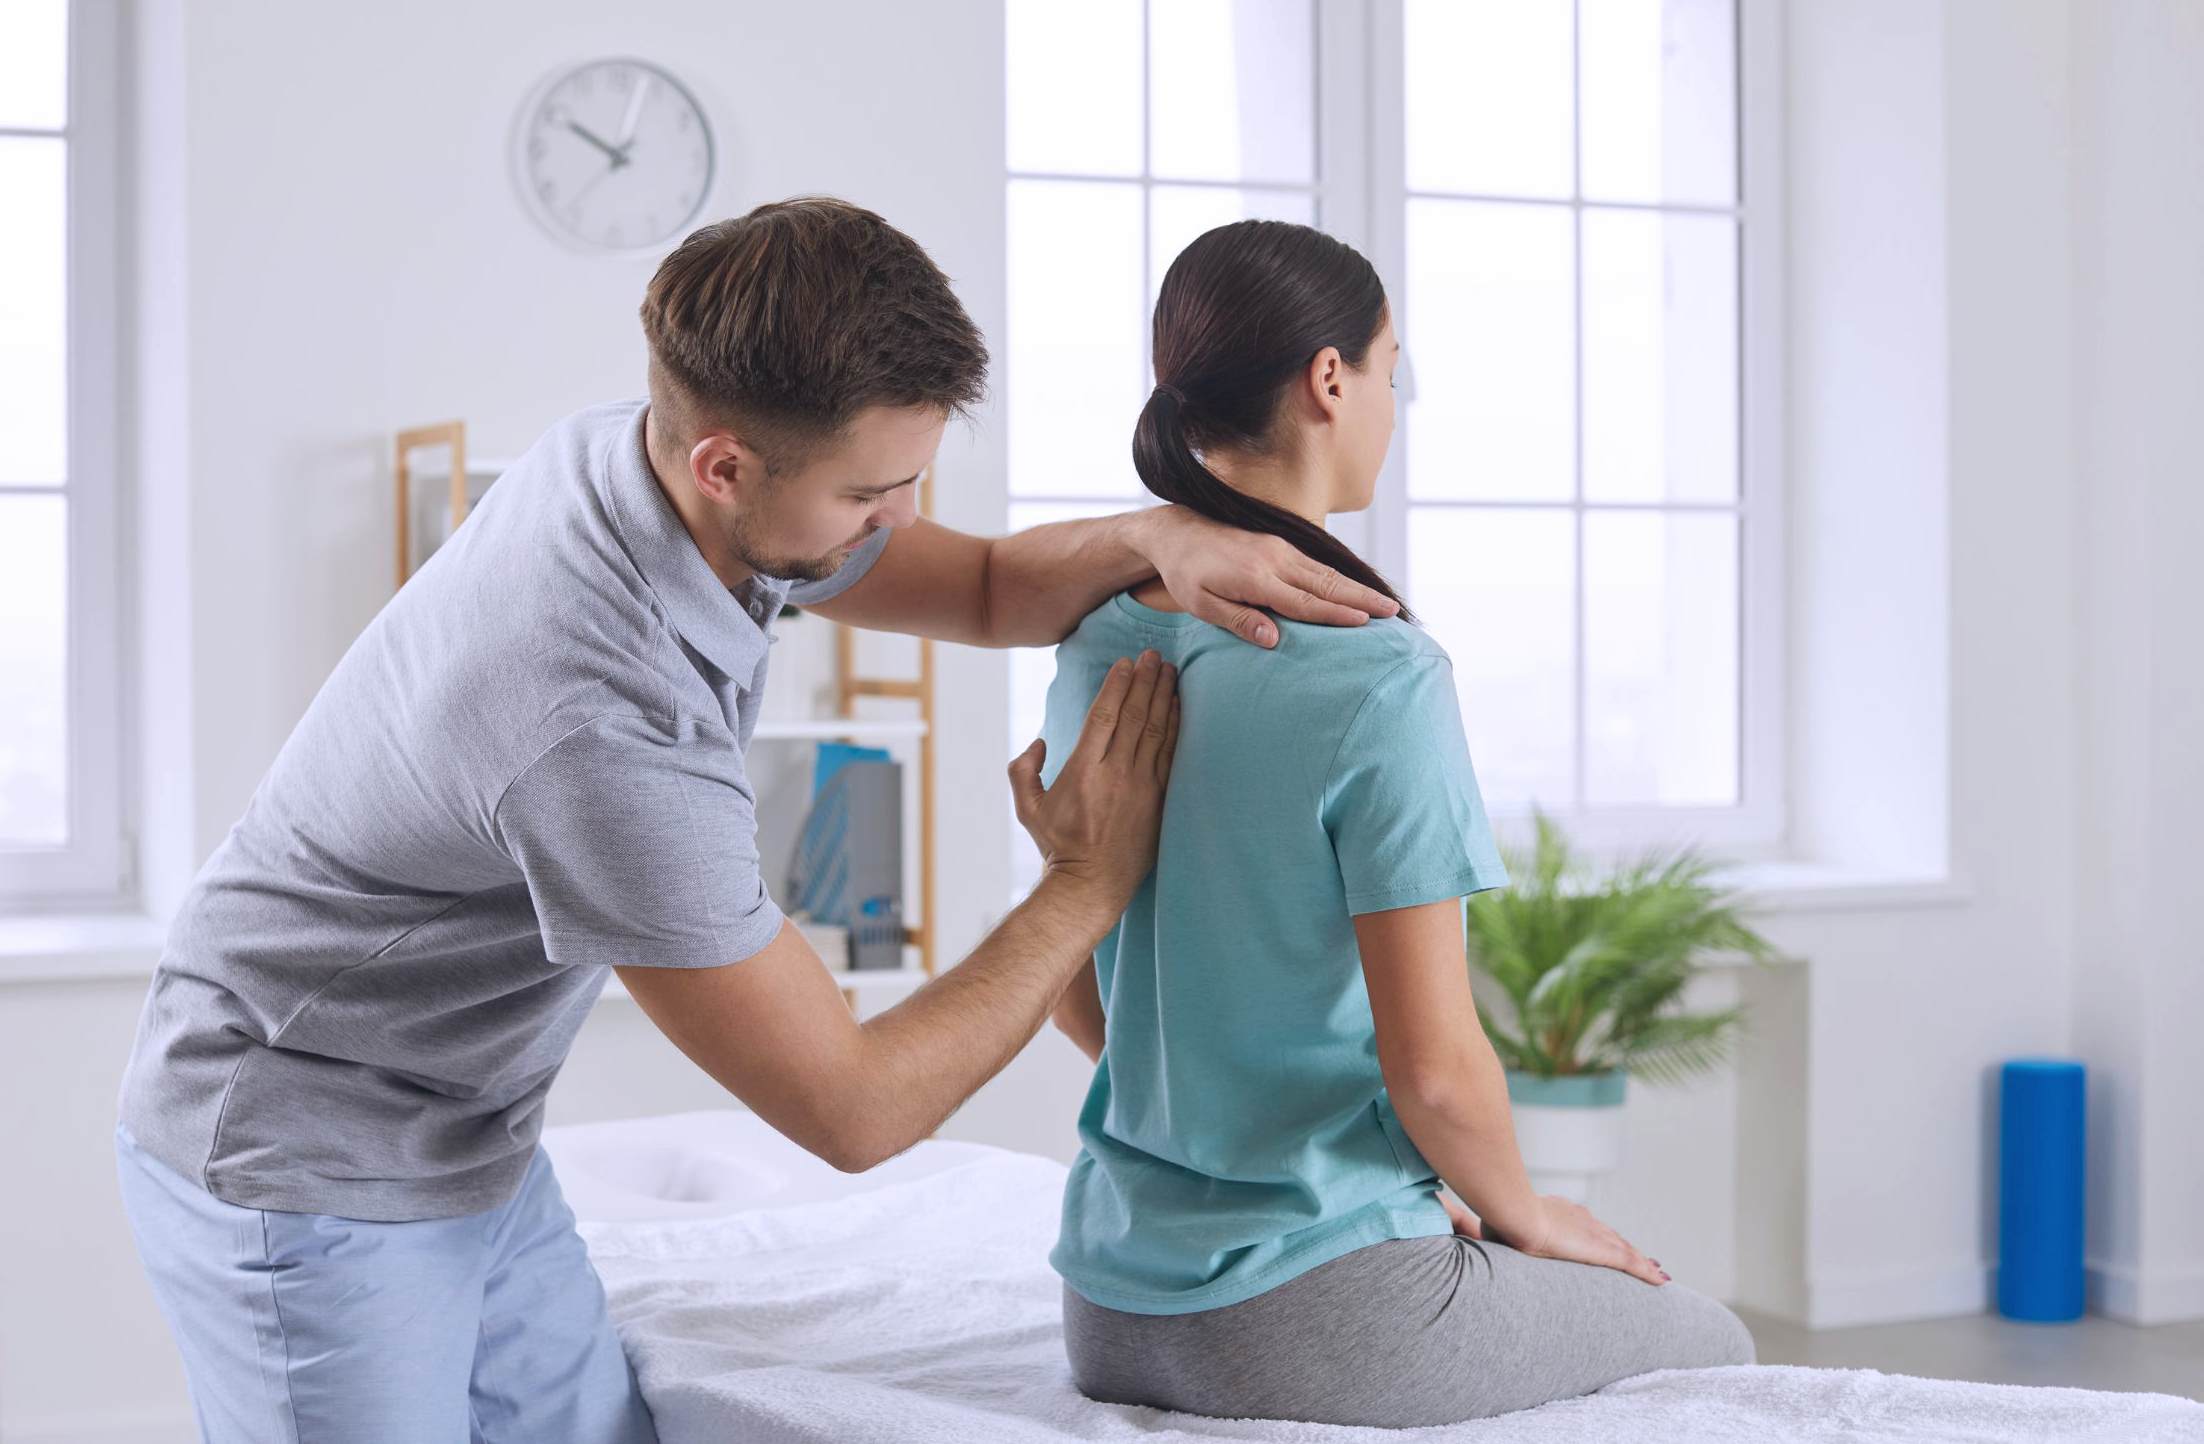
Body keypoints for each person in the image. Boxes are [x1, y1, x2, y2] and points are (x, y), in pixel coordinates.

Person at [111, 196, 1409, 1443]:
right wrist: (1082, 881)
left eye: (911, 479)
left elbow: (990, 584)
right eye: (868, 495)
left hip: (469, 1135)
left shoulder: (648, 456)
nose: (894, 521)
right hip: (302, 1152)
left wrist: (1158, 538)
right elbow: (855, 1113)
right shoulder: (596, 724)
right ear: (728, 465)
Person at [1034, 219, 1758, 1428]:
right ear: (1329, 378)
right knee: (1713, 1342)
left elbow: (1079, 995)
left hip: (1108, 1308)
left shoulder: (1095, 638)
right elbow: (1432, 1065)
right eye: (1387, 369)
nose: (1388, 402)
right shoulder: (1376, 672)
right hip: (1314, 1320)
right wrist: (1528, 1213)